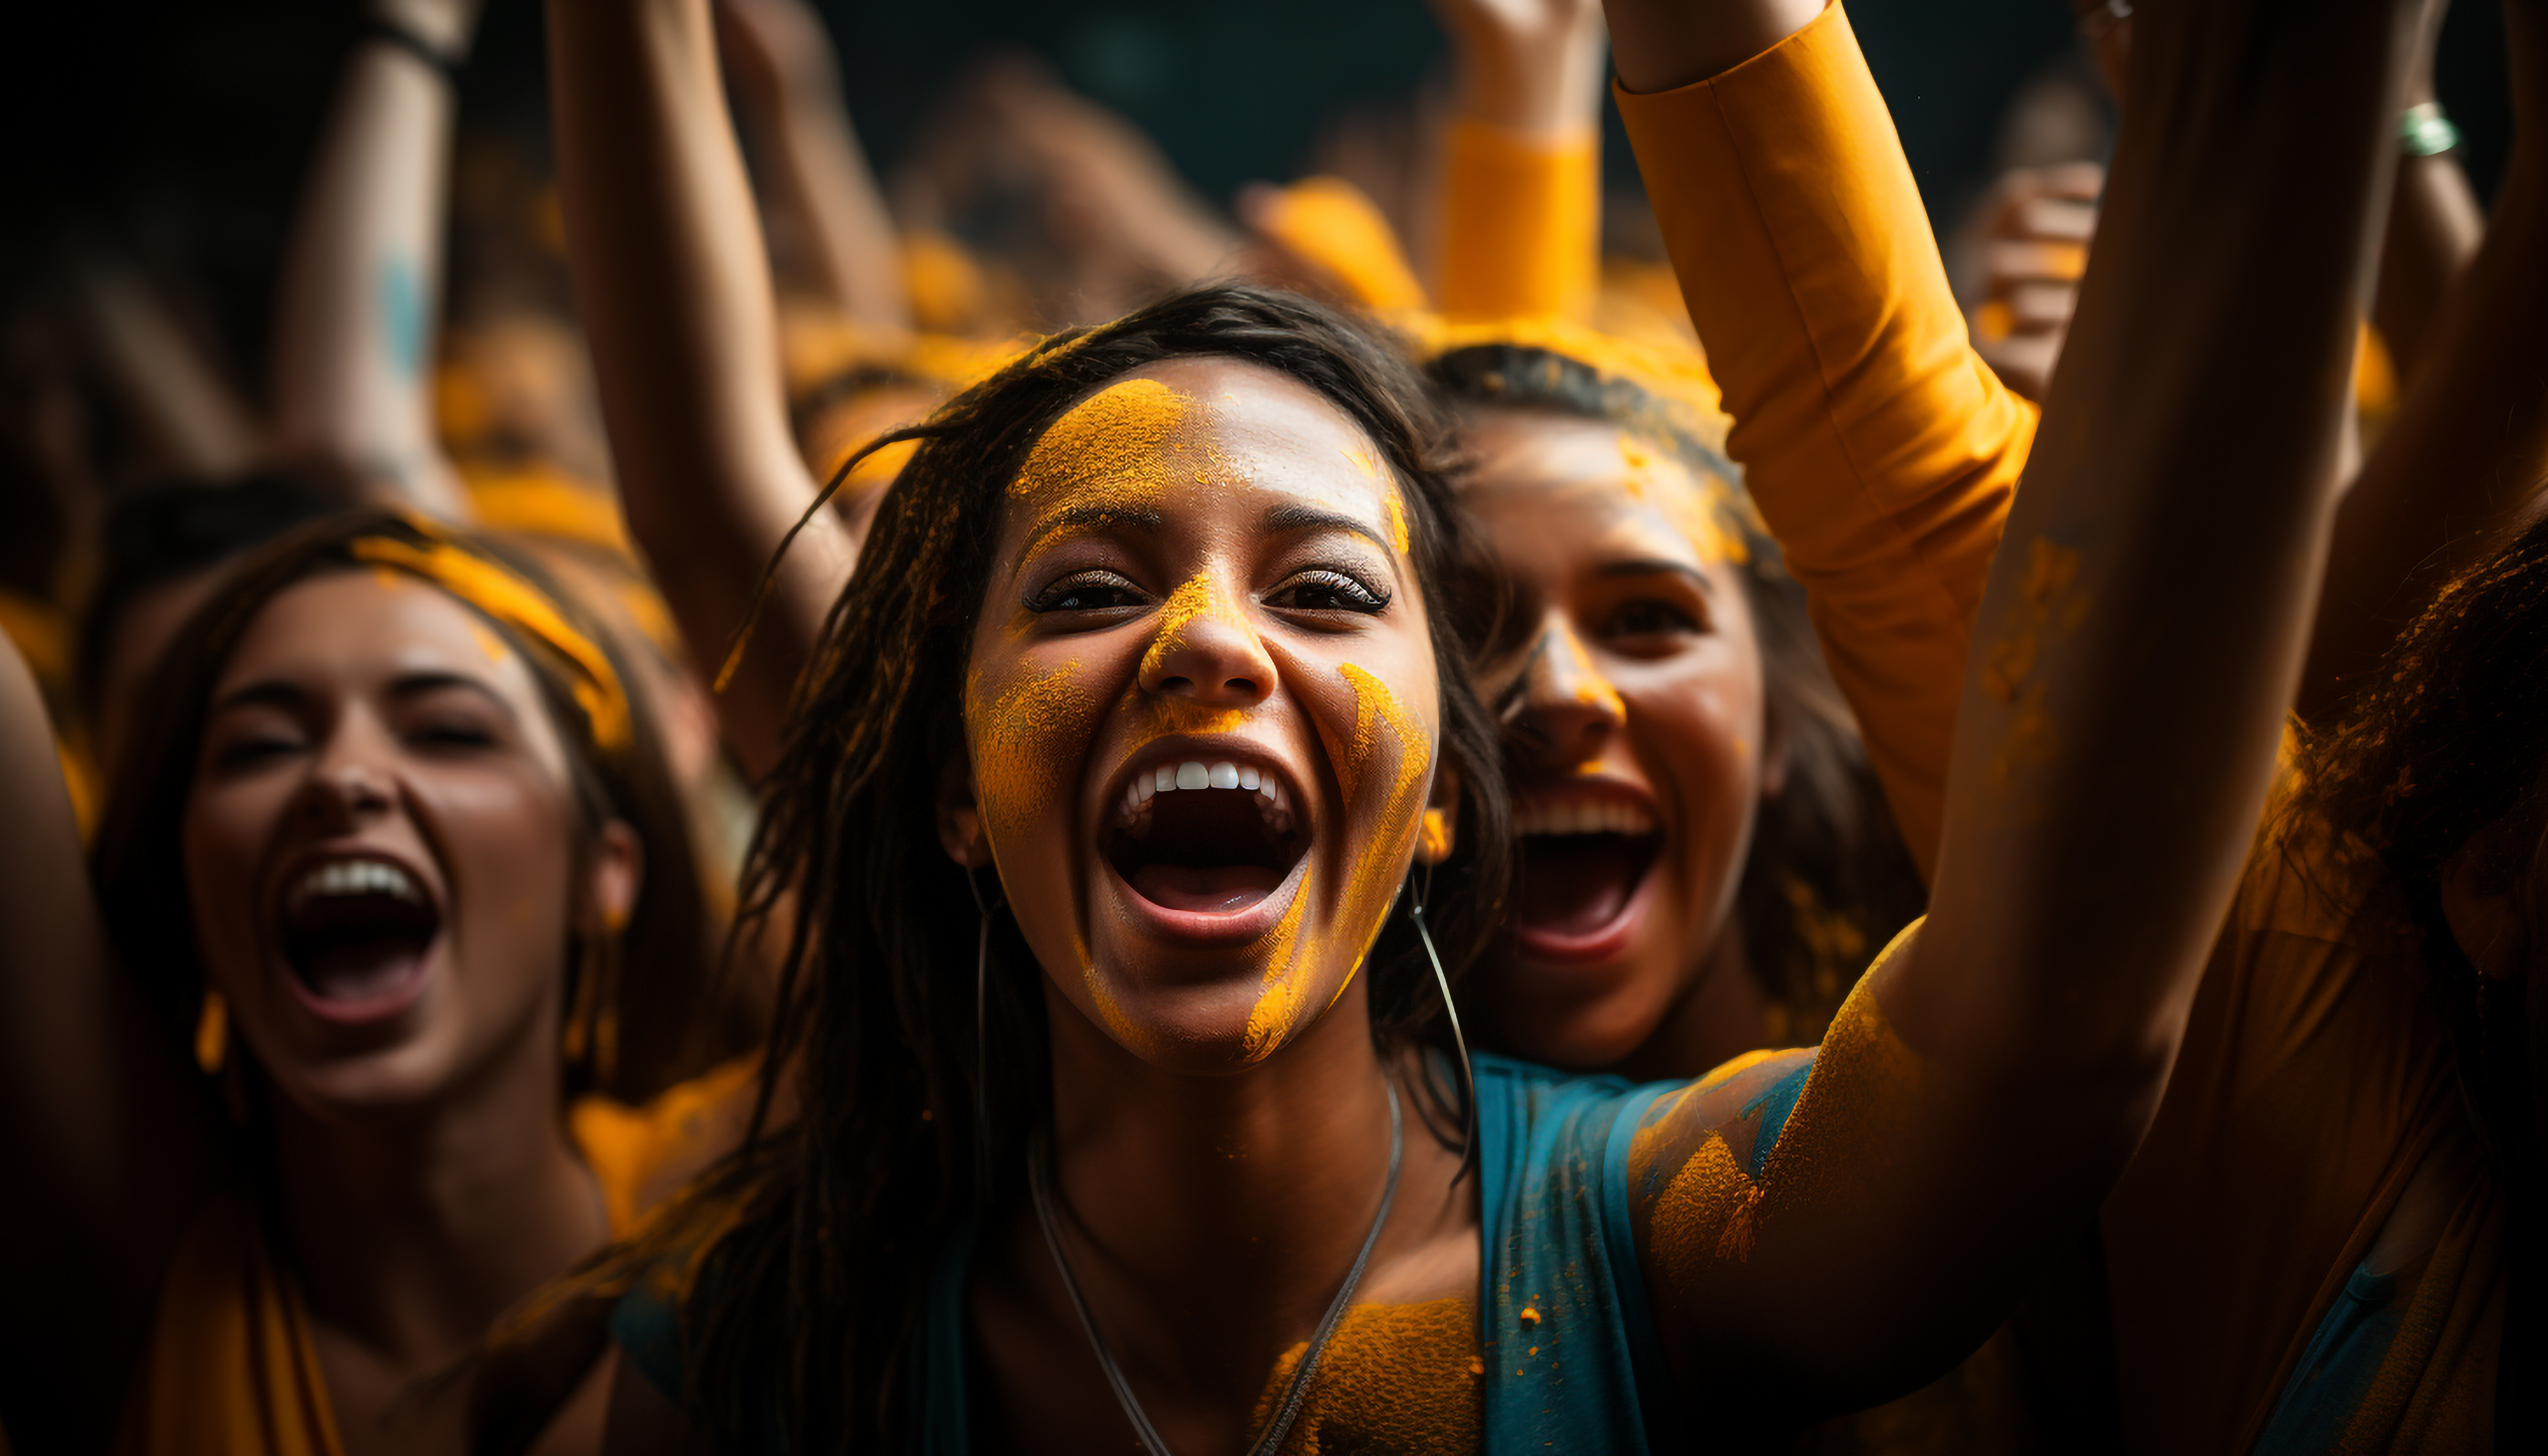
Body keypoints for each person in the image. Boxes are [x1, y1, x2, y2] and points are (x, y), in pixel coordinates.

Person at [546, 0, 2414, 1448]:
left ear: (1451, 782)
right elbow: (724, 516)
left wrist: (2298, 104)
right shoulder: (773, 1358)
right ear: (954, 785)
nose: (1206, 642)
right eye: (1094, 592)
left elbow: (2048, 1031)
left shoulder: (1649, 1234)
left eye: (1327, 591)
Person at [0, 513, 735, 1453]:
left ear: (607, 870)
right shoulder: (126, 1275)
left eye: (448, 732)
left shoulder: (737, 1196)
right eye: (260, 747)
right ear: (187, 879)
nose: (342, 776)